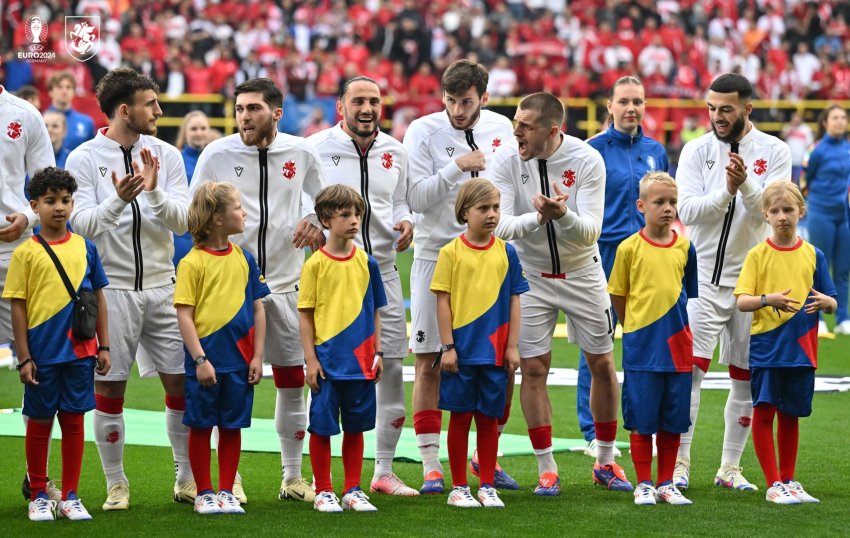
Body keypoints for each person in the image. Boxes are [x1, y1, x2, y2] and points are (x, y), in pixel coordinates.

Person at [192, 78, 327, 504]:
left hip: (288, 285)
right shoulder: (217, 153)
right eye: (240, 109)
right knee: (223, 386)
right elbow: (195, 209)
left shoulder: (302, 152)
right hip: (232, 294)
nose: (244, 117)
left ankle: (291, 478)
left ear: (276, 113)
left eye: (253, 108)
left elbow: (322, 201)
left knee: (292, 383)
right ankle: (224, 480)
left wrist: (315, 220)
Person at [491, 91, 633, 495]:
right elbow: (499, 226)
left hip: (583, 273)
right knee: (532, 369)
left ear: (553, 130)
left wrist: (563, 215)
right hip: (531, 275)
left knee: (603, 364)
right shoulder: (505, 160)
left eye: (525, 126)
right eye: (516, 122)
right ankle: (546, 467)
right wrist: (538, 218)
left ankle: (605, 461)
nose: (516, 131)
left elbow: (592, 230)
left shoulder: (587, 159)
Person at [66, 67, 194, 510]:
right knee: (110, 390)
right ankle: (116, 484)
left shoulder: (166, 154)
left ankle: (186, 476)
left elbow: (186, 221)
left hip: (164, 286)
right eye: (150, 104)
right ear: (125, 110)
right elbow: (80, 226)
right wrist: (119, 199)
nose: (158, 111)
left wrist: (153, 194)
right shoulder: (83, 158)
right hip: (111, 291)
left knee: (182, 384)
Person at [674, 73, 792, 492]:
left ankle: (729, 468)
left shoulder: (775, 151)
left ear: (747, 108)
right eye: (711, 107)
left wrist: (746, 185)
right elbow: (687, 212)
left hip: (753, 282)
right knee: (690, 373)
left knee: (745, 375)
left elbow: (772, 212)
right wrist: (727, 190)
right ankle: (679, 463)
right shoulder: (696, 150)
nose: (716, 116)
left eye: (725, 108)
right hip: (702, 277)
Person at [404, 59, 517, 494]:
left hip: (491, 257)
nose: (456, 109)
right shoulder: (422, 130)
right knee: (431, 359)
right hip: (437, 254)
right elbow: (416, 197)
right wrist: (456, 167)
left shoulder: (502, 128)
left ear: (483, 98)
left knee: (497, 363)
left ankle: (486, 459)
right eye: (450, 100)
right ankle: (431, 464)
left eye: (466, 101)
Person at [306, 76, 417, 496]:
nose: (367, 107)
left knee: (389, 368)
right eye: (358, 101)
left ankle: (383, 471)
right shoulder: (315, 148)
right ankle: (308, 478)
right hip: (334, 277)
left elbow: (402, 201)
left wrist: (409, 221)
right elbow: (301, 199)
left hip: (382, 273)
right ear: (341, 106)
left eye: (374, 100)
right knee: (323, 375)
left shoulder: (396, 149)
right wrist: (309, 220)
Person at [3, 167, 111, 521]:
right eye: (50, 201)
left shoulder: (86, 248)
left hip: (81, 353)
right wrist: (24, 357)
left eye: (65, 200)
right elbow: (17, 306)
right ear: (34, 205)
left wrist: (104, 346)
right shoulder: (25, 253)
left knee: (75, 422)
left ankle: (70, 495)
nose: (59, 207)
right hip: (42, 354)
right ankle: (37, 494)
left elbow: (98, 298)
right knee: (39, 422)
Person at [579, 76, 669, 457]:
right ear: (610, 107)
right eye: (624, 101)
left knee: (645, 340)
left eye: (639, 101)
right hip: (605, 253)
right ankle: (593, 433)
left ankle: (641, 424)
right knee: (597, 344)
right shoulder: (590, 150)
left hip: (649, 255)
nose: (632, 108)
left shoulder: (656, 150)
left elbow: (666, 199)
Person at [734, 182, 837, 504]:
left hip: (802, 349)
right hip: (768, 347)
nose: (782, 217)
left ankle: (790, 480)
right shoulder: (758, 255)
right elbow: (742, 301)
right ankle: (773, 483)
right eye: (775, 211)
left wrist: (827, 304)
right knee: (764, 412)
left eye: (788, 210)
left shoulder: (813, 254)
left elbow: (832, 301)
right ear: (765, 214)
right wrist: (767, 299)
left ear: (800, 212)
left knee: (791, 414)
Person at [174, 181, 270, 515]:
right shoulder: (191, 262)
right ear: (216, 218)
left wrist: (258, 355)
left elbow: (258, 308)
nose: (244, 213)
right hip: (205, 364)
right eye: (238, 207)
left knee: (232, 426)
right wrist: (200, 359)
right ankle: (204, 492)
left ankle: (227, 491)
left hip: (240, 362)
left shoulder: (245, 258)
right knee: (200, 426)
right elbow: (184, 314)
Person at [432, 178, 528, 509]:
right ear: (464, 212)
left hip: (496, 354)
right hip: (461, 353)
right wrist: (448, 346)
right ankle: (460, 487)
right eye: (483, 208)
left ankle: (487, 484)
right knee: (459, 418)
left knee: (489, 420)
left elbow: (515, 301)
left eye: (496, 208)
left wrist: (512, 345)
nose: (491, 214)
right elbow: (441, 301)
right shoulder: (450, 253)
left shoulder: (507, 252)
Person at [607, 172, 698, 506]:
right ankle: (643, 482)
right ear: (641, 206)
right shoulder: (629, 247)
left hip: (677, 348)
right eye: (659, 202)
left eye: (672, 202)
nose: (667, 208)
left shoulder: (686, 247)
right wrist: (633, 326)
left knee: (673, 420)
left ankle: (666, 482)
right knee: (643, 419)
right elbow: (618, 294)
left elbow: (688, 293)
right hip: (642, 348)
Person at [299, 184, 387, 513]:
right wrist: (310, 360)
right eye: (344, 214)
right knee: (321, 428)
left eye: (357, 214)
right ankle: (323, 490)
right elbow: (305, 315)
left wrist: (377, 352)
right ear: (325, 219)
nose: (353, 221)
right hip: (327, 363)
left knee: (356, 427)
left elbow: (375, 310)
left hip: (361, 363)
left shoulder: (368, 263)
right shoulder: (315, 265)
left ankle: (352, 489)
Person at [1, 83, 57, 502]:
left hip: (17, 257)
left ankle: (37, 477)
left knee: (35, 362)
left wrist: (25, 215)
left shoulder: (24, 114)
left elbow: (46, 185)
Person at [800, 105, 850, 335]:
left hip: (843, 216)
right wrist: (812, 204)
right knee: (820, 267)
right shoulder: (815, 150)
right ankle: (817, 318)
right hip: (821, 213)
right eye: (835, 118)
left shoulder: (848, 148)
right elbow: (803, 179)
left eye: (843, 118)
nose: (840, 121)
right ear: (825, 123)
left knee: (842, 269)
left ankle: (843, 318)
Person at [173, 111, 212, 266]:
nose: (199, 133)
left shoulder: (215, 158)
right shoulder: (177, 159)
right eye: (194, 129)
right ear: (185, 132)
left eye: (203, 128)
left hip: (210, 234)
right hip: (183, 235)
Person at [46, 72, 96, 152]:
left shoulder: (86, 122)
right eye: (60, 87)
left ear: (74, 92)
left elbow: (92, 153)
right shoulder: (40, 120)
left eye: (68, 87)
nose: (64, 91)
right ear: (50, 92)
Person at [780, 112, 814, 186]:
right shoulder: (788, 127)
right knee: (786, 183)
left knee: (798, 183)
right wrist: (790, 128)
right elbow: (782, 137)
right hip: (788, 159)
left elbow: (810, 145)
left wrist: (806, 159)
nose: (796, 121)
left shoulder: (806, 129)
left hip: (800, 161)